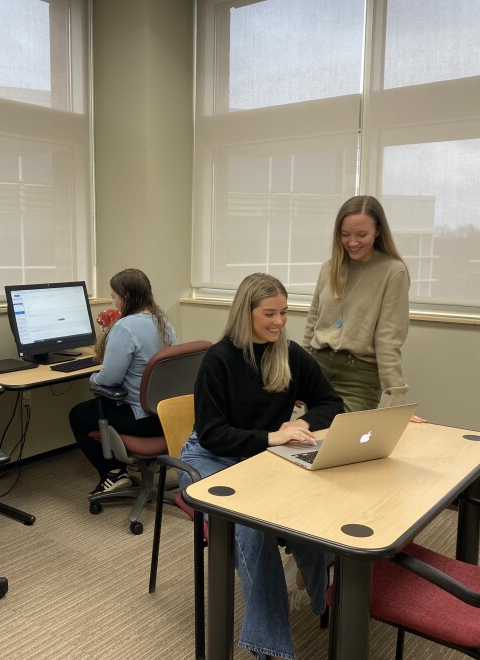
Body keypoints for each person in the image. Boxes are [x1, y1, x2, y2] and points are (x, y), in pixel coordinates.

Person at [180, 273, 344, 660]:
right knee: (252, 531)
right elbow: (212, 434)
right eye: (269, 313)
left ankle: (320, 598)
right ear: (246, 312)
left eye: (284, 312)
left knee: (313, 508)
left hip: (260, 455)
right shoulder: (219, 359)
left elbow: (331, 403)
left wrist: (302, 423)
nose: (279, 321)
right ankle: (270, 650)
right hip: (211, 456)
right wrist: (273, 436)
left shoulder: (288, 354)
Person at [302, 195, 424, 418]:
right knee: (314, 442)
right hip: (318, 367)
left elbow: (389, 337)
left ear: (378, 231)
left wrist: (397, 397)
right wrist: (299, 372)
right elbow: (313, 321)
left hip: (358, 376)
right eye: (345, 234)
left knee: (344, 443)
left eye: (362, 234)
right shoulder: (330, 267)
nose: (352, 242)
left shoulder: (392, 271)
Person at [69, 268, 177, 494]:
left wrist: (92, 376)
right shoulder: (163, 322)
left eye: (114, 296)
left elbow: (109, 379)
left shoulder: (125, 327)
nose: (113, 301)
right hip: (166, 416)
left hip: (140, 418)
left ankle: (113, 472)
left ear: (126, 297)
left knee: (78, 415)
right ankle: (119, 471)